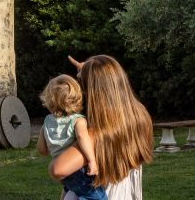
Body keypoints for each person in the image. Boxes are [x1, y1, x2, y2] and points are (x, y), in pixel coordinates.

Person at [49, 55, 153, 200]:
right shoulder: (139, 116)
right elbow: (105, 81)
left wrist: (57, 153)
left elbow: (58, 169)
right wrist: (88, 70)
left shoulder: (95, 135)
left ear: (90, 92)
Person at [37, 74, 106, 200]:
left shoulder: (47, 121)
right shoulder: (78, 120)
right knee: (96, 196)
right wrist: (92, 161)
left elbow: (42, 150)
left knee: (71, 189)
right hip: (79, 170)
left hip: (63, 173)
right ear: (76, 97)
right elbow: (82, 138)